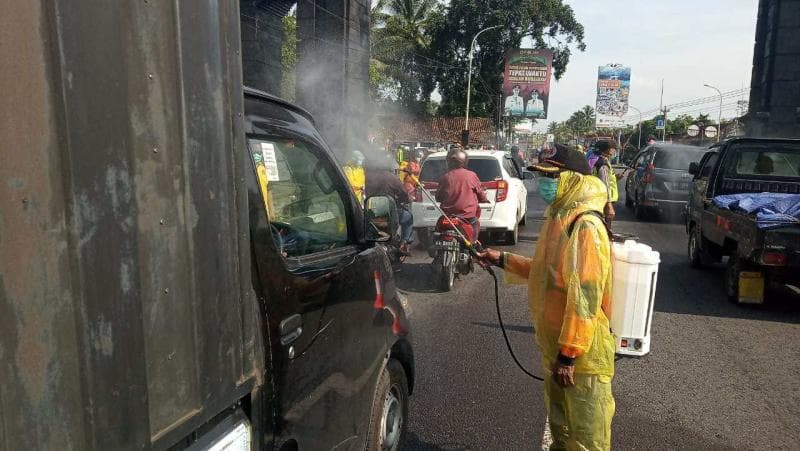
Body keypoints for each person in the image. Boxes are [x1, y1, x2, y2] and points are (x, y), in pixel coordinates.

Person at [478, 144, 615, 451]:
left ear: (574, 179)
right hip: (558, 345)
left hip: (581, 356)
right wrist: (502, 259)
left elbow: (585, 298)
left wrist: (569, 355)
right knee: (561, 429)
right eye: (543, 175)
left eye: (552, 176)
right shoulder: (560, 218)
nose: (545, 183)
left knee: (587, 436)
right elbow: (547, 272)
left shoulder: (586, 226)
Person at [365, 153, 415, 255]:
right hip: (389, 213)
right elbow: (403, 194)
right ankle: (404, 244)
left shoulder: (368, 177)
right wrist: (408, 199)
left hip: (372, 212)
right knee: (408, 217)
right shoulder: (391, 178)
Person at [435, 148, 488, 242]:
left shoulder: (446, 177)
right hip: (467, 217)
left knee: (437, 231)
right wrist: (484, 199)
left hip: (448, 216)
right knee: (475, 225)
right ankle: (473, 244)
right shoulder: (471, 175)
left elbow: (438, 197)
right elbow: (481, 194)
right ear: (464, 162)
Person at [591, 140, 620, 223]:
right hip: (603, 200)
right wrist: (609, 205)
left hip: (597, 198)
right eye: (614, 150)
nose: (615, 152)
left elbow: (604, 179)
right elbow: (604, 184)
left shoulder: (596, 160)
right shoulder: (603, 164)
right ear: (609, 150)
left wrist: (616, 178)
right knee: (605, 225)